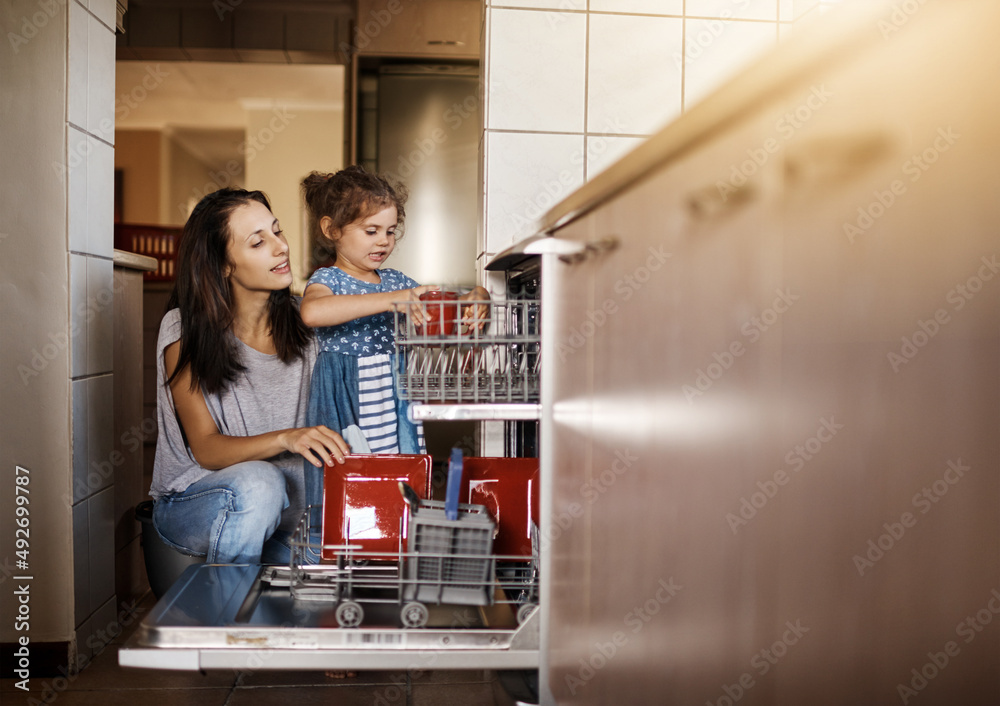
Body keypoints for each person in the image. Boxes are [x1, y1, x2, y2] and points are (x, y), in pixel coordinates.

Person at [150, 188, 350, 565]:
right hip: (199, 500)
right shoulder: (184, 329)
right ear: (223, 264)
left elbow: (383, 321)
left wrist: (465, 301)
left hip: (290, 523)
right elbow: (206, 448)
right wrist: (287, 438)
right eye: (258, 242)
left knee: (339, 563)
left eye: (277, 231)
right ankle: (225, 620)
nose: (281, 247)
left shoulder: (309, 322)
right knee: (260, 483)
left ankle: (238, 597)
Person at [299, 166, 488, 501]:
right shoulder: (329, 279)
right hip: (348, 395)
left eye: (390, 231)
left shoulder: (397, 281)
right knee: (350, 481)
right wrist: (390, 301)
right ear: (332, 230)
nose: (384, 241)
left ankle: (396, 536)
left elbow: (440, 309)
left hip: (394, 392)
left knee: (398, 475)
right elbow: (313, 312)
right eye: (371, 231)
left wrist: (476, 297)